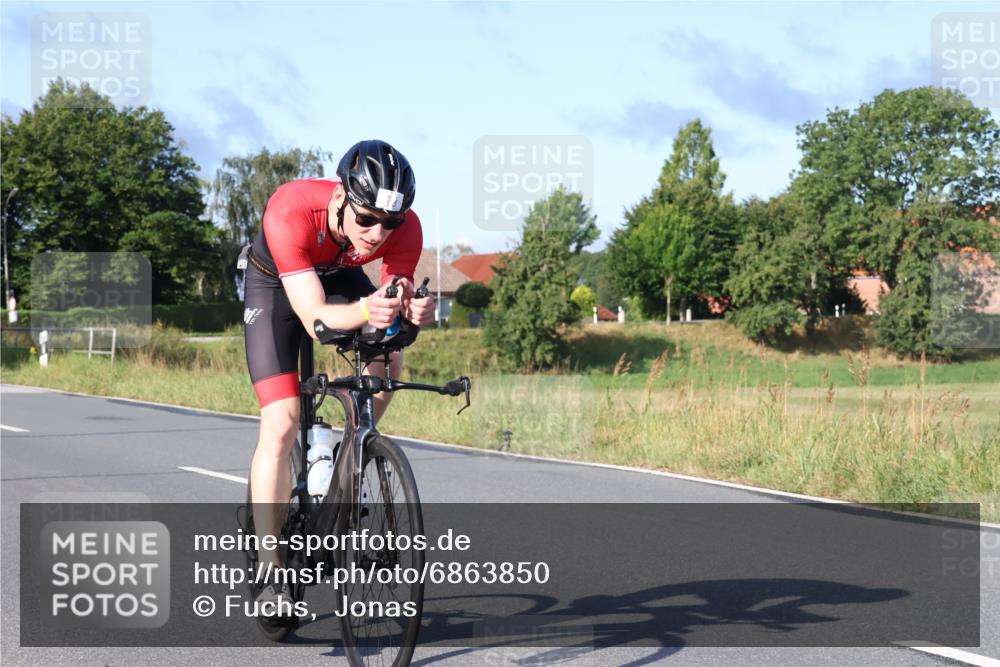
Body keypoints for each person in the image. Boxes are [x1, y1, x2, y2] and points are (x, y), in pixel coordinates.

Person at [242, 140, 435, 614]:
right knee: (284, 422)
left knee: (387, 362)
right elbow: (317, 321)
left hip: (338, 276)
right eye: (366, 218)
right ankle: (270, 571)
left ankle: (352, 447)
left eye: (388, 223)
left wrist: (413, 311)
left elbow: (393, 304)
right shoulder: (291, 209)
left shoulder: (406, 227)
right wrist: (369, 308)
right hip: (278, 287)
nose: (376, 233)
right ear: (340, 199)